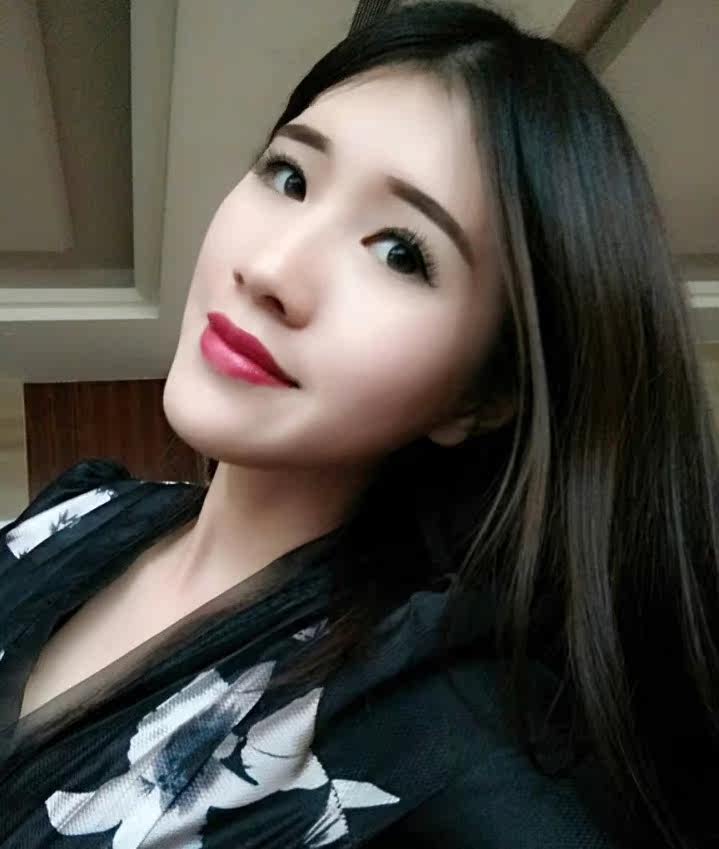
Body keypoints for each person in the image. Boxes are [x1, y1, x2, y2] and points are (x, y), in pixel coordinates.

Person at [0, 2, 716, 846]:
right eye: (288, 176)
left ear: (480, 398)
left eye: (400, 253)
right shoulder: (82, 509)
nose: (269, 270)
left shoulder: (425, 749)